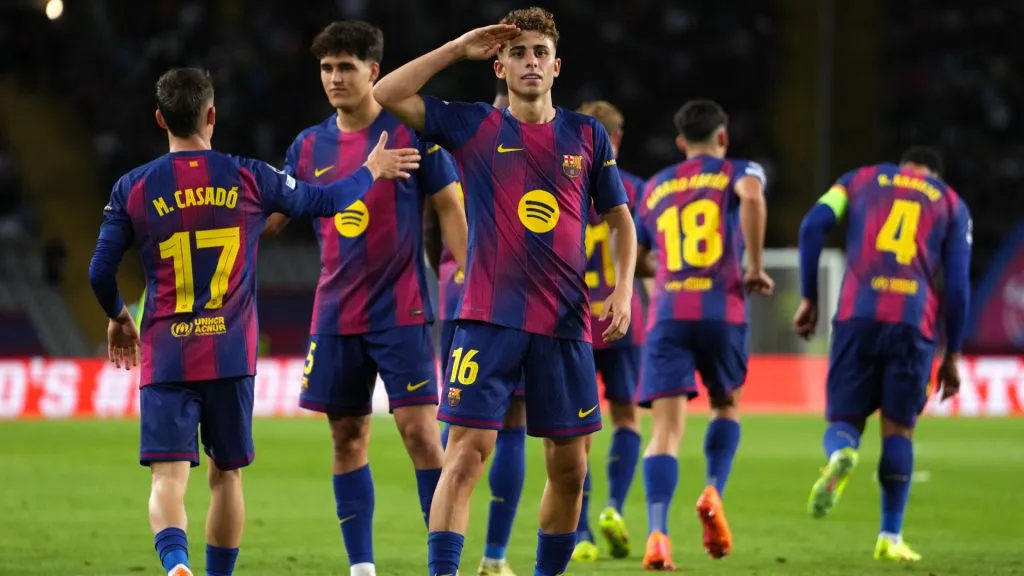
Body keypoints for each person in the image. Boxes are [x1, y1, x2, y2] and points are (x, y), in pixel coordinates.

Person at [86, 67, 418, 576]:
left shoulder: (132, 188)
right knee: (227, 478)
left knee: (167, 480)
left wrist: (117, 318)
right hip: (230, 354)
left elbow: (99, 272)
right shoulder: (250, 176)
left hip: (167, 352)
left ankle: (176, 562)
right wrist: (371, 167)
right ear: (212, 115)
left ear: (159, 119)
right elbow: (328, 201)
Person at [373, 7, 638, 576]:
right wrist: (455, 47)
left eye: (540, 52)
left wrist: (623, 289)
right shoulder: (474, 125)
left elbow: (619, 218)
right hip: (487, 318)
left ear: (557, 65)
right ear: (500, 64)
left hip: (565, 325)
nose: (531, 62)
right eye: (518, 52)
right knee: (464, 458)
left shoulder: (585, 134)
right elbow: (387, 91)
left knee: (570, 470)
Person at [263, 21, 467, 576]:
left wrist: (470, 272)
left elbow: (449, 204)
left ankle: (442, 565)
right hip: (335, 315)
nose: (334, 78)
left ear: (374, 71)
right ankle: (362, 569)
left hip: (402, 310)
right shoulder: (307, 146)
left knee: (422, 434)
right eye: (326, 68)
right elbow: (277, 214)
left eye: (345, 66)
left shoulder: (410, 132)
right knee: (347, 435)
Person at [795, 146, 971, 562]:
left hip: (857, 316)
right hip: (912, 324)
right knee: (899, 430)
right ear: (933, 173)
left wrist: (809, 297)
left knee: (844, 420)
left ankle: (839, 453)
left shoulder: (857, 179)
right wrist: (953, 353)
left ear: (903, 165)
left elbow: (811, 226)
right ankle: (890, 536)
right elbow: (959, 284)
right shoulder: (949, 202)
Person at [633, 99, 772, 570]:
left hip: (669, 312)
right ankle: (713, 487)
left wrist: (665, 270)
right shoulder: (738, 169)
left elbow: (633, 251)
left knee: (666, 431)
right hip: (722, 307)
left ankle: (657, 533)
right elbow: (752, 196)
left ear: (680, 143)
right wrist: (753, 267)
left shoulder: (654, 188)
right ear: (722, 137)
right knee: (725, 405)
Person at [426, 79, 525, 576]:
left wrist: (451, 269)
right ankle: (495, 556)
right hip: (516, 295)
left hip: (458, 285)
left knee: (460, 428)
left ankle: (447, 556)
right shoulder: (535, 143)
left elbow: (434, 221)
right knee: (512, 427)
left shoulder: (460, 142)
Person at [571, 100, 646, 564]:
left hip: (571, 318)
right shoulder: (636, 189)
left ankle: (579, 531)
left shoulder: (563, 179)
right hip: (622, 317)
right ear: (616, 139)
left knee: (574, 430)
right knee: (625, 417)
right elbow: (653, 252)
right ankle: (614, 506)